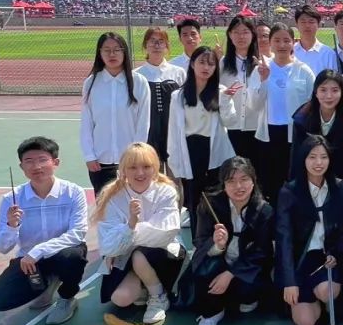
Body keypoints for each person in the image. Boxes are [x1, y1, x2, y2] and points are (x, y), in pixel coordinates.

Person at [0, 137, 88, 325]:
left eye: (42, 160)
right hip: (29, 261)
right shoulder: (11, 199)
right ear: (21, 167)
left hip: (61, 253)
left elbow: (77, 234)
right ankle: (47, 283)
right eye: (29, 161)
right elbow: (2, 247)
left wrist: (38, 251)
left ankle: (67, 298)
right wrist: (11, 225)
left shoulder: (73, 192)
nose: (36, 166)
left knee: (72, 257)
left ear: (55, 162)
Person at [94, 143, 185, 324]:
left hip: (163, 254)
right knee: (121, 299)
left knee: (139, 256)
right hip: (126, 254)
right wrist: (130, 223)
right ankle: (145, 285)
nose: (140, 173)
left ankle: (158, 296)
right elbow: (107, 245)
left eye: (146, 166)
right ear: (123, 170)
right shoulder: (112, 195)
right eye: (133, 167)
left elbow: (165, 233)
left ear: (155, 168)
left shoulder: (166, 191)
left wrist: (128, 234)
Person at [190, 157, 275, 325]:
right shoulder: (209, 204)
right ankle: (215, 311)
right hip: (219, 262)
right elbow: (199, 240)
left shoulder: (264, 210)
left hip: (245, 266)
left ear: (253, 181)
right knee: (207, 271)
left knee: (248, 288)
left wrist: (231, 273)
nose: (238, 186)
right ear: (223, 184)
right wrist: (217, 245)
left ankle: (243, 298)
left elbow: (262, 251)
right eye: (231, 181)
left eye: (244, 179)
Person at [276, 136, 343, 325]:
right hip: (300, 261)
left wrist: (336, 253)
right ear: (303, 159)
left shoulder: (340, 189)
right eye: (312, 157)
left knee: (328, 291)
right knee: (305, 322)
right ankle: (310, 302)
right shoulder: (289, 192)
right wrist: (289, 281)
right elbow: (284, 239)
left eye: (324, 157)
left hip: (325, 259)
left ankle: (324, 301)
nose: (318, 163)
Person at [166, 46, 240, 236]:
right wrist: (174, 162)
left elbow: (231, 122)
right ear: (192, 64)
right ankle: (198, 242)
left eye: (211, 64)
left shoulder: (220, 91)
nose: (206, 67)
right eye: (202, 62)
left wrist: (226, 100)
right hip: (190, 152)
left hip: (215, 153)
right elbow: (173, 131)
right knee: (195, 201)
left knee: (218, 200)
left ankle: (220, 242)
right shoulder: (178, 96)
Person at [250, 24, 316, 207]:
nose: (282, 45)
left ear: (293, 43)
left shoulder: (303, 70)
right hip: (267, 134)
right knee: (270, 183)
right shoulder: (261, 69)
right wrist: (264, 81)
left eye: (286, 40)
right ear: (270, 43)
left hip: (294, 135)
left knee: (293, 181)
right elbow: (254, 105)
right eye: (277, 40)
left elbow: (312, 104)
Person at [80, 32, 150, 195]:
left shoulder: (138, 82)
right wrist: (89, 155)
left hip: (129, 162)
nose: (112, 54)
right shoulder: (91, 83)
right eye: (106, 50)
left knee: (132, 204)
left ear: (124, 52)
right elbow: (86, 122)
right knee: (103, 205)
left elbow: (143, 122)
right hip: (99, 162)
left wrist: (136, 155)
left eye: (117, 50)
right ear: (100, 53)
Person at [290, 70, 343, 182]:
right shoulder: (302, 119)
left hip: (338, 181)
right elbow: (296, 157)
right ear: (315, 92)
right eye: (323, 90)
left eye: (335, 90)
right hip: (308, 179)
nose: (329, 96)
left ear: (342, 93)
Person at [136, 27, 186, 167]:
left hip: (173, 134)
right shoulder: (137, 75)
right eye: (152, 41)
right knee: (152, 175)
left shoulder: (178, 73)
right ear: (145, 45)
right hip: (148, 135)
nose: (156, 45)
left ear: (167, 45)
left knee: (174, 177)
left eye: (161, 41)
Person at [219, 16, 261, 165]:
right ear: (230, 35)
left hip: (257, 127)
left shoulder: (261, 63)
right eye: (236, 32)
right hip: (231, 127)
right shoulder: (223, 63)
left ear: (252, 35)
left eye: (245, 32)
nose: (241, 36)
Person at [293, 4, 339, 74]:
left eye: (311, 22)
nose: (307, 25)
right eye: (303, 22)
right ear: (297, 25)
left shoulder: (328, 54)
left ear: (318, 25)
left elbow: (332, 79)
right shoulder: (290, 52)